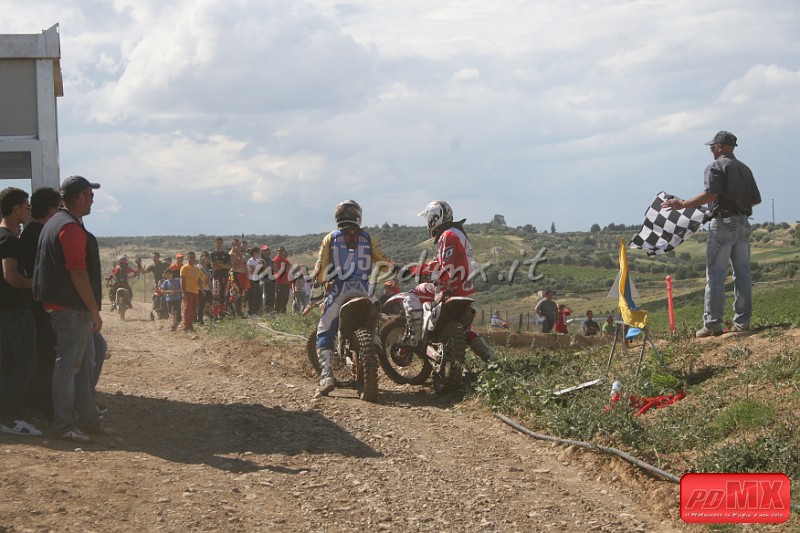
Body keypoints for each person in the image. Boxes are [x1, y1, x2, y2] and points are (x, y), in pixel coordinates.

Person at [662, 130, 761, 337]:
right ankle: (742, 323)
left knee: (716, 275)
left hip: (723, 224)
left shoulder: (715, 167)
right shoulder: (745, 169)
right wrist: (736, 204)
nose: (711, 150)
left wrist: (682, 204)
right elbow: (755, 200)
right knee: (742, 274)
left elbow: (711, 194)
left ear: (720, 146)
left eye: (712, 146)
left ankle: (713, 323)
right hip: (743, 223)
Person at [33, 176, 103, 443]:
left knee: (83, 365)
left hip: (64, 307)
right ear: (79, 197)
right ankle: (63, 425)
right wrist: (93, 310)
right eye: (89, 194)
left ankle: (87, 420)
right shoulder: (70, 228)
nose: (92, 199)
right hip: (71, 309)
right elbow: (77, 271)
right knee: (69, 365)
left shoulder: (54, 223)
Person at [313, 200, 393, 397]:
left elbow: (321, 267)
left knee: (325, 329)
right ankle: (374, 339)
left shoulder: (330, 239)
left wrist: (318, 280)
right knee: (376, 316)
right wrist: (391, 268)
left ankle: (326, 375)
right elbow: (384, 264)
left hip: (340, 289)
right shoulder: (368, 238)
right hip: (364, 289)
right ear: (358, 216)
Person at [399, 200, 495, 362]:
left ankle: (414, 339)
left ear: (434, 218)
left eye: (429, 219)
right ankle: (492, 360)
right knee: (465, 331)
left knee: (411, 296)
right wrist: (415, 270)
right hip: (468, 290)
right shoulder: (459, 234)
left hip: (452, 289)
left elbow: (445, 268)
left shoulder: (447, 235)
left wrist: (442, 287)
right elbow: (438, 263)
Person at [0, 187, 41, 436]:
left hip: (6, 312)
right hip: (14, 312)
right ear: (16, 209)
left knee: (8, 365)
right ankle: (11, 418)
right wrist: (36, 283)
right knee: (25, 364)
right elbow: (12, 277)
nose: (28, 210)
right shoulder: (9, 241)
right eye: (26, 206)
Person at [19, 187, 61, 418]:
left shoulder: (32, 232)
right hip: (40, 306)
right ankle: (42, 405)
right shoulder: (39, 234)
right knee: (45, 355)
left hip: (34, 305)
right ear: (52, 209)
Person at [180, 251, 205, 332]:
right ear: (187, 258)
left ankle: (190, 325)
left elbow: (198, 280)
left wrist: (202, 289)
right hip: (188, 291)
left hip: (195, 292)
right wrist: (183, 293)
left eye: (193, 257)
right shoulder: (185, 268)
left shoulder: (197, 269)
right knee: (187, 309)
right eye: (190, 257)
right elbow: (182, 281)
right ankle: (186, 327)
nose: (192, 259)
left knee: (194, 309)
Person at [210, 238, 232, 320]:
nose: (219, 244)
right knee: (216, 296)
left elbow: (230, 266)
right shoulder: (212, 254)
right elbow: (214, 267)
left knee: (224, 296)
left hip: (225, 277)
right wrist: (224, 265)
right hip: (216, 277)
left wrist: (219, 264)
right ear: (215, 244)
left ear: (223, 244)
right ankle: (214, 314)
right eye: (217, 243)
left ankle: (221, 313)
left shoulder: (226, 255)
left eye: (220, 243)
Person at [273, 246, 292, 314]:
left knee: (285, 298)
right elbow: (277, 270)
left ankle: (283, 311)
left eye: (282, 251)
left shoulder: (284, 259)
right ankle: (277, 311)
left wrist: (286, 269)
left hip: (286, 282)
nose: (281, 252)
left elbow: (290, 265)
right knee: (279, 298)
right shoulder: (276, 259)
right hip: (279, 282)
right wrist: (285, 269)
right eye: (279, 250)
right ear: (277, 251)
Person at [259, 244, 275, 313]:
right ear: (262, 251)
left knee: (271, 296)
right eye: (264, 250)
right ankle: (265, 310)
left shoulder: (271, 260)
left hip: (271, 280)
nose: (266, 251)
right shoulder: (260, 260)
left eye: (267, 250)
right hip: (263, 280)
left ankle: (270, 310)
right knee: (265, 296)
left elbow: (275, 269)